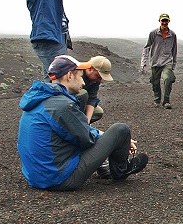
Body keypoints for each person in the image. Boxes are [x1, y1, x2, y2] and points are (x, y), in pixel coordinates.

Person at [17, 55, 148, 191]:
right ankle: (121, 170)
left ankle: (106, 166)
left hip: (35, 177)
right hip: (59, 178)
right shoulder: (63, 106)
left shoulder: (41, 99)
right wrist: (118, 141)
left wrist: (101, 135)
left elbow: (78, 131)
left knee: (93, 134)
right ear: (69, 76)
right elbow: (87, 139)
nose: (83, 82)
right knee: (121, 130)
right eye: (80, 76)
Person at [141, 13, 178, 109]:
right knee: (155, 81)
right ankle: (157, 99)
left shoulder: (172, 34)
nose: (165, 23)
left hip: (167, 61)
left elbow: (174, 49)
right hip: (155, 61)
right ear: (159, 21)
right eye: (163, 21)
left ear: (169, 21)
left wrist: (174, 63)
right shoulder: (153, 33)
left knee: (168, 79)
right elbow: (147, 47)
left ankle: (166, 101)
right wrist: (143, 62)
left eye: (166, 21)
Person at [75, 55, 113, 124]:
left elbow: (92, 98)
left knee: (98, 112)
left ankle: (82, 124)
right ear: (90, 69)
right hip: (67, 104)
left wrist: (87, 121)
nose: (99, 80)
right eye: (98, 76)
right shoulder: (76, 72)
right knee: (83, 94)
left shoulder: (95, 80)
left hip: (80, 106)